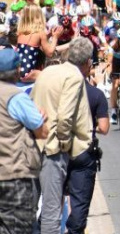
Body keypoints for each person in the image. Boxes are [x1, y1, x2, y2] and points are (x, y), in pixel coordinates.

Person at [30, 38, 93, 234]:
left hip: (33, 142)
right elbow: (65, 117)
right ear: (87, 62)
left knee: (29, 207)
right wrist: (64, 143)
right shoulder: (73, 78)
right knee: (51, 210)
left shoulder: (48, 71)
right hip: (53, 148)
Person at [0, 48, 47, 234]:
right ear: (17, 70)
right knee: (20, 227)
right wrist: (42, 117)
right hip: (14, 175)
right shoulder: (16, 96)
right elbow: (41, 131)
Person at [65, 38, 109, 233]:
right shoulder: (95, 94)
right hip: (83, 151)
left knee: (52, 201)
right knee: (80, 203)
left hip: (60, 148)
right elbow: (104, 127)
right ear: (88, 64)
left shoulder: (61, 86)